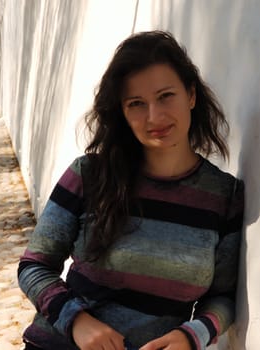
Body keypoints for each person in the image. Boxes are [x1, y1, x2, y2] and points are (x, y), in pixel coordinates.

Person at [18, 30, 244, 350]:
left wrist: (191, 336)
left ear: (191, 95)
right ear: (122, 112)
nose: (154, 116)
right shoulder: (89, 175)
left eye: (166, 96)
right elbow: (33, 266)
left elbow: (223, 297)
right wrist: (77, 322)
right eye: (136, 103)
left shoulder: (224, 197)